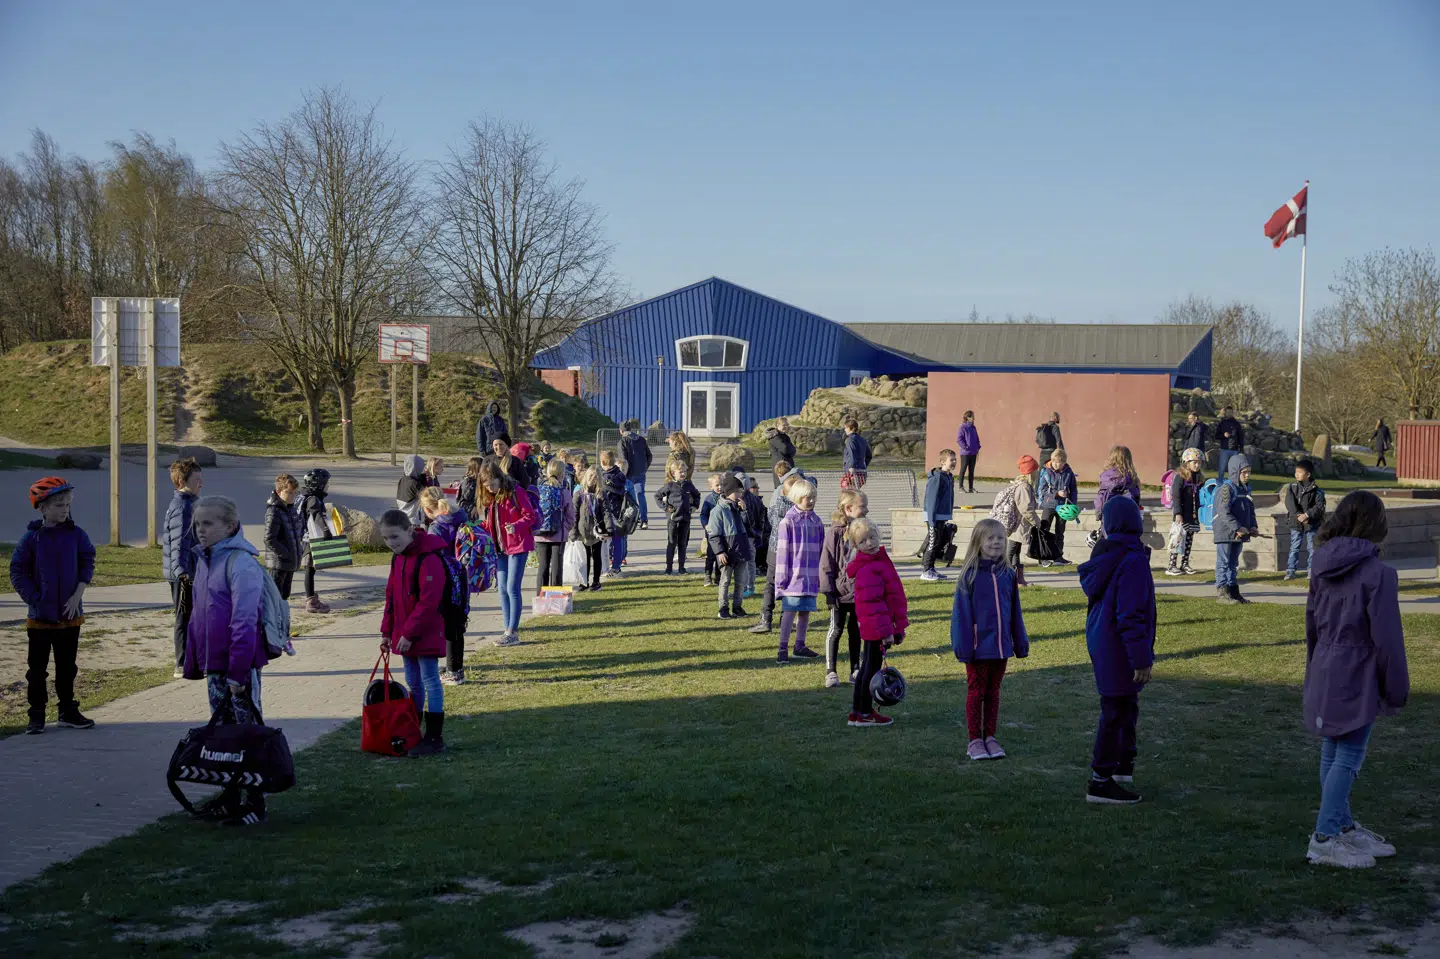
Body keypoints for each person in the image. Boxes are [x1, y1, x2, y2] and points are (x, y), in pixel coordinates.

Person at [1302, 491, 1408, 869]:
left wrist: (1314, 665)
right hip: (1356, 667)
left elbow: (1312, 622)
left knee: (1334, 748)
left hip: (1328, 661)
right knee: (1347, 753)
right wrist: (1395, 687)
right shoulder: (1379, 575)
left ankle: (1342, 826)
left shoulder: (1321, 563)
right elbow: (1388, 639)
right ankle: (1326, 835)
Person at [183, 495, 269, 822]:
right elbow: (200, 618)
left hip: (239, 670)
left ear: (229, 526)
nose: (200, 530)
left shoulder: (241, 563)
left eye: (207, 524)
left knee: (247, 735)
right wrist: (194, 660)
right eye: (196, 524)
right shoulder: (205, 560)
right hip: (215, 667)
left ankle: (254, 803)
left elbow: (244, 621)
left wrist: (238, 672)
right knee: (222, 737)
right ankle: (230, 797)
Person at [1077, 496, 1155, 805]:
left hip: (1105, 640)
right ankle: (1100, 780)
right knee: (1115, 709)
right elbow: (1130, 614)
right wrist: (1141, 658)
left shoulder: (1115, 553)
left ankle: (1122, 765)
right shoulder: (1130, 559)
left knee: (1125, 705)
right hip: (1116, 645)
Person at [11, 477, 95, 735]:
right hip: (40, 618)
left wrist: (78, 594)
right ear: (42, 508)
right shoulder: (32, 538)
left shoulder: (77, 535)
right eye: (59, 505)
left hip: (70, 616)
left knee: (67, 667)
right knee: (37, 670)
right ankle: (36, 714)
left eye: (67, 504)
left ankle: (67, 710)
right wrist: (34, 599)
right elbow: (17, 570)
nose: (65, 509)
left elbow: (87, 561)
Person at [950, 517, 1029, 761]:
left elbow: (1015, 611)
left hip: (1001, 646)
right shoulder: (969, 577)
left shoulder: (1007, 574)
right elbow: (960, 616)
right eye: (990, 538)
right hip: (977, 648)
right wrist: (965, 647)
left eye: (1000, 538)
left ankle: (990, 737)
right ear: (978, 542)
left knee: (993, 692)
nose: (996, 542)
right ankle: (975, 740)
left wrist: (1019, 641)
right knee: (977, 692)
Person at [378, 508, 449, 756]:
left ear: (409, 531)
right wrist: (387, 632)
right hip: (403, 634)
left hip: (424, 631)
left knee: (430, 681)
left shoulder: (428, 557)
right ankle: (414, 731)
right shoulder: (398, 558)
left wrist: (408, 634)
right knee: (413, 684)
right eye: (386, 539)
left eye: (395, 537)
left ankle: (434, 736)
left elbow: (429, 602)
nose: (391, 544)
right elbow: (391, 597)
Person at [845, 517, 907, 728]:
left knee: (867, 668)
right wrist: (886, 630)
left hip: (878, 626)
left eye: (872, 538)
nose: (869, 544)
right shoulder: (868, 568)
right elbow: (872, 604)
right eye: (863, 541)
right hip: (876, 627)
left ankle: (858, 711)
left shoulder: (877, 562)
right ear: (856, 545)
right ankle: (863, 712)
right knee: (870, 670)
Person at [478, 470, 537, 647]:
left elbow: (530, 515)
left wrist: (516, 526)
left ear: (499, 479)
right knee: (502, 589)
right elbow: (491, 523)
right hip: (500, 548)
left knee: (512, 587)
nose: (490, 489)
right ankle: (507, 630)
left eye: (492, 484)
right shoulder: (491, 497)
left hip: (518, 545)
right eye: (486, 486)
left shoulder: (515, 492)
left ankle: (513, 631)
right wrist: (477, 528)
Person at [420, 487, 472, 685]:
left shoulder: (435, 529)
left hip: (445, 579)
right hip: (462, 574)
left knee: (449, 626)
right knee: (458, 623)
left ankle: (453, 671)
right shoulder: (460, 516)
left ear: (426, 509)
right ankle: (457, 666)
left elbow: (434, 559)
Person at [773, 478, 825, 663]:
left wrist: (821, 577)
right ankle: (782, 648)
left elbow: (821, 551)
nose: (810, 501)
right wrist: (781, 580)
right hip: (792, 578)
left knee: (805, 612)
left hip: (811, 578)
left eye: (813, 497)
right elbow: (782, 554)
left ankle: (800, 646)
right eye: (806, 498)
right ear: (796, 497)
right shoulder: (788, 522)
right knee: (790, 612)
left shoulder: (816, 522)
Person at [820, 490, 867, 688]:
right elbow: (826, 564)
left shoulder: (864, 530)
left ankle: (855, 669)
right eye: (862, 506)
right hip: (839, 594)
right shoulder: (834, 533)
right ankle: (831, 671)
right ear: (848, 509)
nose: (866, 509)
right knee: (836, 630)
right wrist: (829, 593)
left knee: (855, 630)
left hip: (859, 593)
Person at [162, 456, 203, 678]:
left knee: (192, 617)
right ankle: (182, 664)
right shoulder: (183, 507)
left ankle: (192, 661)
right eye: (197, 479)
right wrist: (183, 573)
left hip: (189, 571)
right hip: (184, 575)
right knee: (184, 617)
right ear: (182, 482)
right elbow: (178, 543)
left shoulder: (186, 503)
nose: (201, 483)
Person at [751, 471, 804, 634]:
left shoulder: (776, 506)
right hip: (791, 551)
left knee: (771, 584)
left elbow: (771, 521)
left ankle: (766, 618)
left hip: (775, 549)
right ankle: (784, 619)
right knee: (788, 585)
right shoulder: (799, 511)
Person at [1213, 454, 1259, 605]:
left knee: (1233, 564)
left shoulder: (1246, 489)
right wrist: (1237, 527)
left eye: (1248, 472)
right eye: (1244, 472)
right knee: (1223, 562)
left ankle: (1234, 592)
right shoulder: (1226, 489)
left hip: (1240, 533)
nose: (1247, 475)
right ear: (1235, 472)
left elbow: (1250, 510)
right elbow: (1223, 512)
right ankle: (1222, 593)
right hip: (1226, 532)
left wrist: (1253, 526)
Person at [707, 475, 752, 620]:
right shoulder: (718, 511)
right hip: (727, 552)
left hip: (741, 550)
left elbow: (748, 527)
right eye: (737, 492)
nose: (739, 495)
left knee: (741, 582)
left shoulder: (739, 509)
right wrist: (720, 552)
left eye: (741, 492)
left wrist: (744, 512)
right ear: (728, 492)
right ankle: (723, 608)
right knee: (725, 581)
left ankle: (737, 607)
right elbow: (713, 535)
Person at [992, 456, 1041, 587]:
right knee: (1011, 551)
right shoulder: (1024, 487)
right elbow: (1026, 508)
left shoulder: (1022, 485)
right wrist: (1038, 522)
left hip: (1018, 525)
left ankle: (1018, 579)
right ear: (1031, 472)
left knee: (1015, 551)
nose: (1038, 472)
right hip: (1017, 526)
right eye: (1036, 469)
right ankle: (1004, 578)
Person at [533, 457, 577, 592]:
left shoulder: (538, 490)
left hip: (540, 534)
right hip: (558, 534)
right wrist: (566, 527)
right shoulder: (563, 491)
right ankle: (556, 597)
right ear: (562, 474)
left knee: (543, 567)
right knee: (557, 567)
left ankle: (541, 597)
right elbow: (570, 515)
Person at [298, 468, 335, 613]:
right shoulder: (313, 499)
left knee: (311, 569)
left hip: (307, 538)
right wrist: (326, 530)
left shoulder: (307, 496)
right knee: (310, 569)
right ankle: (311, 601)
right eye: (326, 484)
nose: (327, 486)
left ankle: (310, 596)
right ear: (318, 485)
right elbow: (316, 515)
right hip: (310, 539)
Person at [264, 473, 304, 600]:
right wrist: (286, 554)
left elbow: (294, 533)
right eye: (289, 492)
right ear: (279, 491)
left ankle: (283, 619)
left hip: (289, 562)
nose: (293, 496)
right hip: (279, 563)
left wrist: (298, 550)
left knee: (284, 596)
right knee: (274, 598)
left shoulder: (290, 509)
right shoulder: (274, 511)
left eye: (295, 493)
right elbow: (269, 538)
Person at [1164, 449, 1204, 577]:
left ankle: (1185, 563)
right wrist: (1177, 513)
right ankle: (1171, 565)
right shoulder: (1180, 477)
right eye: (1194, 462)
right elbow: (1176, 496)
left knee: (1189, 539)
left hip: (1192, 514)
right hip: (1181, 513)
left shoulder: (1199, 478)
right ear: (1186, 463)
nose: (1197, 465)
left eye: (1199, 462)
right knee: (1177, 538)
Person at [656, 460, 700, 575]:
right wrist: (666, 507)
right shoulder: (669, 485)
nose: (683, 474)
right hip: (673, 519)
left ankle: (681, 567)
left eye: (685, 471)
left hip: (685, 519)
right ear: (673, 472)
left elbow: (697, 495)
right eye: (680, 471)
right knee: (671, 543)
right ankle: (668, 568)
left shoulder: (689, 485)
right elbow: (657, 496)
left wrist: (694, 507)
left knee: (683, 543)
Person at [1285, 458, 1327, 581]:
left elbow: (1319, 507)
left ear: (1308, 474)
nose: (1296, 474)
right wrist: (1299, 516)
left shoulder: (1317, 491)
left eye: (1299, 472)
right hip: (1296, 523)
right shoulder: (1292, 487)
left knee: (1312, 547)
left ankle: (1311, 570)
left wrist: (1307, 515)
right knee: (1294, 546)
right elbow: (1290, 503)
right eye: (1295, 472)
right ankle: (1291, 570)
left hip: (1311, 523)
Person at [920, 449, 957, 581]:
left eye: (955, 459)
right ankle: (926, 570)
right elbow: (931, 499)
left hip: (942, 515)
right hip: (933, 516)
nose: (954, 462)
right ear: (942, 462)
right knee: (933, 542)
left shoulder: (948, 477)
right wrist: (931, 519)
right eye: (951, 460)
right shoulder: (937, 477)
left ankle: (931, 568)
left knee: (938, 542)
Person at [1037, 448, 1077, 567]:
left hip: (1063, 506)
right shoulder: (1045, 471)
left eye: (1060, 462)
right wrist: (1056, 494)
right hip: (1049, 505)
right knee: (1044, 531)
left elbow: (1073, 489)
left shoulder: (1068, 472)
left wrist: (1073, 504)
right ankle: (1042, 558)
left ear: (1064, 462)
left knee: (1060, 532)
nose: (1057, 464)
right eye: (1055, 462)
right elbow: (1041, 490)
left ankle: (1058, 556)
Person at [598, 451, 633, 575]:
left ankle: (605, 566)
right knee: (620, 539)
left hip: (609, 511)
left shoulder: (604, 477)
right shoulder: (620, 475)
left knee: (605, 540)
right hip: (620, 511)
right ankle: (617, 566)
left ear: (602, 462)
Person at [572, 467, 606, 592]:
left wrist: (609, 528)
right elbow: (574, 514)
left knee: (597, 556)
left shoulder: (601, 493)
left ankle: (596, 581)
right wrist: (573, 531)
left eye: (595, 477)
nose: (592, 479)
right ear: (586, 477)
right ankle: (584, 581)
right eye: (590, 476)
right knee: (584, 558)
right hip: (583, 531)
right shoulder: (579, 493)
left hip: (597, 531)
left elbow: (606, 511)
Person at [618, 420, 653, 530]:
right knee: (641, 495)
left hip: (628, 473)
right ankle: (644, 520)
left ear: (621, 431)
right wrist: (644, 468)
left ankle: (632, 518)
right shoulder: (641, 440)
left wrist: (623, 473)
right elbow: (649, 456)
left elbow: (623, 460)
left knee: (630, 496)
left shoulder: (622, 442)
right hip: (640, 472)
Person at [1094, 445, 1142, 514]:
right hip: (1128, 517)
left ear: (1111, 459)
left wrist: (1098, 511)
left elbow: (1101, 496)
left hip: (1109, 517)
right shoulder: (1132, 478)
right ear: (1129, 460)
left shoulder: (1106, 476)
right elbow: (1136, 498)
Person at [743, 476, 770, 585]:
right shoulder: (745, 502)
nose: (758, 488)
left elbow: (763, 521)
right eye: (754, 487)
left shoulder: (758, 502)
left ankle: (749, 585)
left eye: (757, 486)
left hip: (758, 535)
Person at [699, 472, 722, 586]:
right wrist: (705, 525)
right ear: (711, 486)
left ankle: (719, 576)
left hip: (723, 531)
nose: (720, 487)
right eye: (717, 485)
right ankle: (708, 575)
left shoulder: (726, 497)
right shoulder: (709, 499)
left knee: (721, 554)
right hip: (712, 531)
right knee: (711, 554)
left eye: (721, 484)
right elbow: (703, 514)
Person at [841, 417, 872, 490]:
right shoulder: (862, 439)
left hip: (852, 472)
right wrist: (862, 466)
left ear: (850, 428)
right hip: (861, 471)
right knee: (856, 493)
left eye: (845, 427)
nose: (844, 429)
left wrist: (852, 466)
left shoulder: (850, 440)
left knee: (849, 494)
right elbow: (869, 456)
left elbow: (852, 454)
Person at [396, 454, 428, 526]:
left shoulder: (404, 479)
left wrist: (422, 476)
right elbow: (425, 495)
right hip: (412, 516)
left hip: (404, 512)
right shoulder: (414, 483)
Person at [955, 410, 981, 494]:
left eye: (973, 416)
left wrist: (978, 447)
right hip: (965, 453)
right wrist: (965, 447)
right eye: (972, 416)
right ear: (967, 417)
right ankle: (960, 488)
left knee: (971, 471)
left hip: (973, 452)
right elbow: (959, 439)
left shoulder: (973, 427)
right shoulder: (962, 427)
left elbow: (977, 438)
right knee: (963, 469)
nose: (973, 418)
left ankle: (971, 488)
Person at [1215, 405, 1244, 480]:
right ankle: (1220, 485)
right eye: (1227, 412)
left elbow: (1241, 436)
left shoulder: (1237, 424)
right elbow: (1216, 436)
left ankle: (1233, 484)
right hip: (1224, 449)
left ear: (1232, 413)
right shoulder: (1222, 423)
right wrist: (1223, 435)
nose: (1229, 414)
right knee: (1221, 469)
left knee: (1234, 469)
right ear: (1225, 413)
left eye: (1230, 412)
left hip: (1234, 450)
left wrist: (1241, 448)